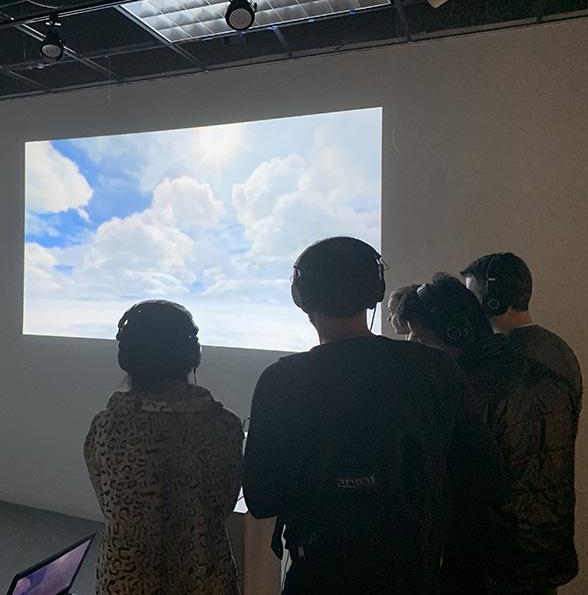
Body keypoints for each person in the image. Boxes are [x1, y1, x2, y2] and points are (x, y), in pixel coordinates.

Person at [243, 237, 505, 595]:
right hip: (414, 573)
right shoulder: (435, 369)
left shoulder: (280, 380)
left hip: (317, 572)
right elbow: (485, 476)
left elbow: (261, 501)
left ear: (301, 297)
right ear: (375, 292)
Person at [400, 274, 579, 594]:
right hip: (542, 554)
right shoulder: (539, 373)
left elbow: (459, 484)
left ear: (455, 332)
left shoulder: (467, 391)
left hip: (489, 565)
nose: (414, 347)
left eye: (419, 336)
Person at [83, 300, 243, 595]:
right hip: (206, 580)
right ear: (193, 355)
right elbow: (223, 507)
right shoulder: (226, 428)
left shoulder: (106, 428)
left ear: (126, 356)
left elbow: (109, 506)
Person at [462, 252, 582, 407]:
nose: (469, 306)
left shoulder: (501, 356)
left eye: (473, 297)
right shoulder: (561, 348)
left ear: (493, 301)